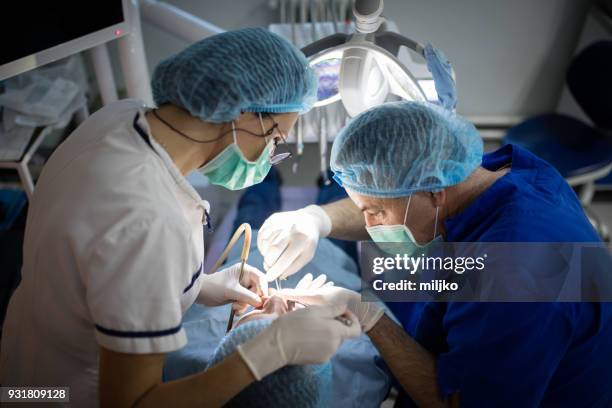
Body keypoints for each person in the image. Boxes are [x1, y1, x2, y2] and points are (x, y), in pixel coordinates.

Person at [0, 28, 360, 407]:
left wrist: (198, 285)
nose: (269, 156)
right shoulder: (150, 222)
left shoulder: (116, 118)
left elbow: (103, 266)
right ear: (242, 115)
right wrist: (270, 349)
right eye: (275, 141)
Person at [260, 101, 612, 407]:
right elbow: (390, 193)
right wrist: (316, 219)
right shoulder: (496, 175)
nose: (369, 224)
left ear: (435, 192)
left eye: (376, 212)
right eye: (363, 207)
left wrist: (368, 316)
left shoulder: (514, 278)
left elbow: (455, 402)